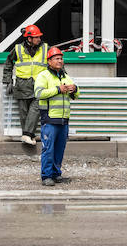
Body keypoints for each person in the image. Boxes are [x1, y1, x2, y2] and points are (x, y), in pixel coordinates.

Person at [34, 47, 79, 186]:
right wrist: (58, 89)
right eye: (57, 59)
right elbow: (39, 94)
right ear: (49, 61)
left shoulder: (65, 76)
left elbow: (76, 96)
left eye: (61, 58)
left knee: (60, 148)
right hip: (50, 119)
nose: (60, 61)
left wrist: (75, 89)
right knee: (49, 148)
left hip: (64, 119)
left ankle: (56, 173)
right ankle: (46, 175)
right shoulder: (43, 76)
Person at [2, 24, 49, 145]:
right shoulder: (17, 49)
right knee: (24, 114)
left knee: (36, 108)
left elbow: (56, 61)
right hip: (22, 85)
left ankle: (27, 134)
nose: (39, 39)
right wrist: (8, 81)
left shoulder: (45, 48)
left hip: (39, 84)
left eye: (39, 37)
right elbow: (8, 63)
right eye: (36, 37)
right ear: (29, 38)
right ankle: (28, 136)